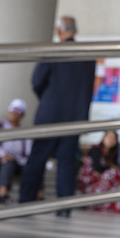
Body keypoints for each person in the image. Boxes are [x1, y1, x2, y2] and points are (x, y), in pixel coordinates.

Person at [18, 16, 96, 216]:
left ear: (59, 31)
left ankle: (26, 202)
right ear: (75, 31)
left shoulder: (52, 51)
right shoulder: (88, 56)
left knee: (38, 158)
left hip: (50, 114)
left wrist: (48, 99)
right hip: (75, 116)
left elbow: (37, 82)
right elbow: (88, 89)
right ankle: (63, 208)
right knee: (67, 161)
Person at [0, 98, 32, 203]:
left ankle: (36, 195)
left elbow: (28, 153)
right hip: (1, 159)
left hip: (19, 162)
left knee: (34, 167)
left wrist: (18, 159)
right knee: (7, 162)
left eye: (19, 111)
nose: (14, 113)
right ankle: (2, 193)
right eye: (12, 109)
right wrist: (4, 154)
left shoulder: (26, 132)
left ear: (23, 115)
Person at [77, 130, 120, 213]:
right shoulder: (96, 149)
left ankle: (115, 204)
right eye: (109, 137)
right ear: (104, 138)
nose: (111, 140)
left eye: (113, 138)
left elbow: (118, 167)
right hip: (90, 180)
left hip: (101, 178)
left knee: (119, 175)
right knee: (112, 173)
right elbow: (97, 168)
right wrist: (110, 167)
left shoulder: (113, 153)